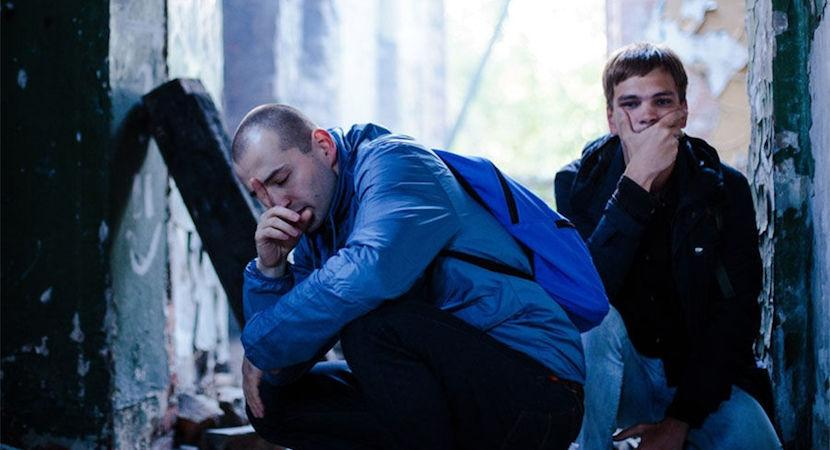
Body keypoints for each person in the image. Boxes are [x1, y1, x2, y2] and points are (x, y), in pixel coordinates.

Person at [231, 104, 586, 450]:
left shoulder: (397, 162)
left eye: (281, 179)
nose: (275, 203)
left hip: (538, 386)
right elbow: (279, 364)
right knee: (274, 401)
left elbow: (370, 271)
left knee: (370, 326)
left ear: (323, 146)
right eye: (259, 194)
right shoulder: (319, 226)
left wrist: (260, 346)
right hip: (454, 389)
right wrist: (271, 269)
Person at [555, 42, 781, 449]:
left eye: (662, 101)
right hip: (622, 375)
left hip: (699, 381)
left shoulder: (725, 189)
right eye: (630, 103)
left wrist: (679, 421)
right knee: (596, 318)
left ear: (683, 111)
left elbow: (737, 315)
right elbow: (586, 298)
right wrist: (637, 182)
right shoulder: (577, 184)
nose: (647, 115)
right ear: (611, 119)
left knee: (759, 443)